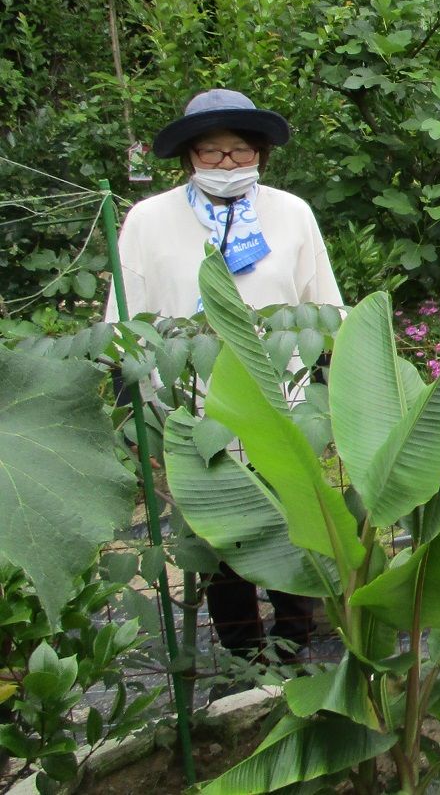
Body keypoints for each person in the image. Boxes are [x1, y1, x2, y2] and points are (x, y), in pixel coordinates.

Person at [105, 88, 343, 659]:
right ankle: (241, 654)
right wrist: (141, 421)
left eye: (240, 151)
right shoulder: (148, 220)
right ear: (189, 157)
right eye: (212, 153)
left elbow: (328, 312)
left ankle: (295, 644)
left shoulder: (292, 215)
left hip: (281, 402)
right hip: (192, 408)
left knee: (292, 524)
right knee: (218, 537)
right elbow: (124, 325)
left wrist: (324, 400)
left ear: (260, 153)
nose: (227, 164)